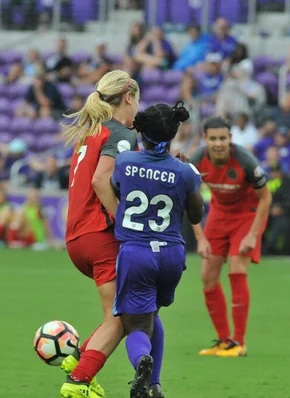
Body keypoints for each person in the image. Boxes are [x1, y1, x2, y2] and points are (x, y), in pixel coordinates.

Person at [110, 102, 203, 398]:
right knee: (153, 313)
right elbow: (197, 215)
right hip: (172, 255)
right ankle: (155, 385)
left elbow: (116, 191)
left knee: (135, 324)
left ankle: (142, 361)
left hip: (136, 252)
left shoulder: (124, 161)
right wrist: (188, 171)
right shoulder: (185, 171)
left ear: (142, 132)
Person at [59, 70, 140, 398]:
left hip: (76, 239)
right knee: (120, 318)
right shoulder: (120, 134)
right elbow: (100, 181)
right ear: (129, 97)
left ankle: (80, 361)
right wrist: (124, 222)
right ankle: (78, 380)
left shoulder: (88, 134)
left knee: (118, 315)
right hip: (100, 235)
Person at [190, 116, 272, 357]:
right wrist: (200, 238)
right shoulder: (196, 161)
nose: (218, 143)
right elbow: (188, 199)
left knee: (237, 269)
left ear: (230, 139)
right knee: (207, 276)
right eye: (213, 138)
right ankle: (224, 340)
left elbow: (266, 197)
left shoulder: (246, 161)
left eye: (223, 138)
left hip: (248, 214)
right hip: (218, 214)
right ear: (205, 139)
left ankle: (239, 342)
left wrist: (253, 235)